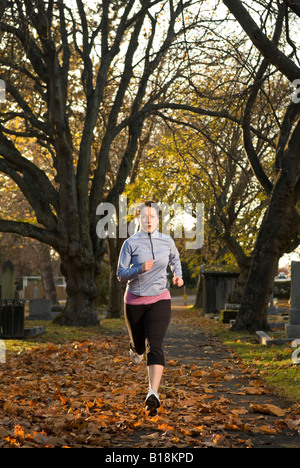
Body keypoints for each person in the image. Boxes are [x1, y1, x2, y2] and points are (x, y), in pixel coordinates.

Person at [117, 201, 184, 415]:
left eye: (152, 217)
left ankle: (152, 393)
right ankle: (134, 348)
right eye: (144, 217)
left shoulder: (167, 241)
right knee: (139, 347)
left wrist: (177, 274)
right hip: (134, 301)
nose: (148, 220)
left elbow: (175, 259)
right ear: (138, 219)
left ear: (158, 219)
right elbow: (120, 274)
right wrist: (138, 268)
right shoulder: (130, 243)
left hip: (160, 299)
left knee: (154, 345)